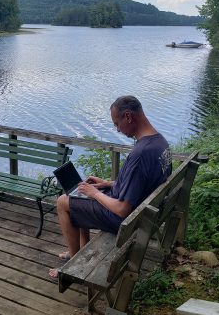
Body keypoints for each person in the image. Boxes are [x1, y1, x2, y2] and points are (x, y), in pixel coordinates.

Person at [49, 95, 172, 278]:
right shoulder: (159, 142)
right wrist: (107, 184)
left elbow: (122, 209)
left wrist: (94, 193)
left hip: (125, 221)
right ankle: (80, 251)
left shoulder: (140, 154)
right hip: (143, 213)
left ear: (128, 117)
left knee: (63, 202)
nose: (117, 129)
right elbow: (143, 182)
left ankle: (73, 269)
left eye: (117, 123)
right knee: (81, 196)